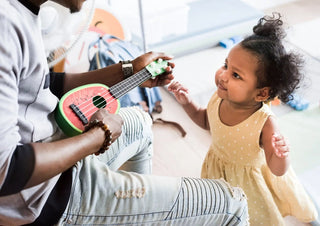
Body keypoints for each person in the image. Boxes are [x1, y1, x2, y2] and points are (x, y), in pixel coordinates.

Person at [0, 0, 249, 225]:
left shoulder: (21, 13)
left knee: (140, 121)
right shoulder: (5, 28)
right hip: (43, 197)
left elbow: (44, 83)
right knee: (233, 205)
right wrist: (98, 136)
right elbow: (6, 169)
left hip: (56, 149)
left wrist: (129, 71)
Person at [168, 13, 318, 225]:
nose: (223, 75)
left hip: (249, 186)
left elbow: (276, 169)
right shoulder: (218, 97)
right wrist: (188, 103)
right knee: (216, 210)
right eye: (226, 65)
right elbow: (205, 121)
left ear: (261, 94)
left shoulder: (264, 123)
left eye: (236, 75)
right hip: (217, 170)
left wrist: (281, 155)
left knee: (251, 219)